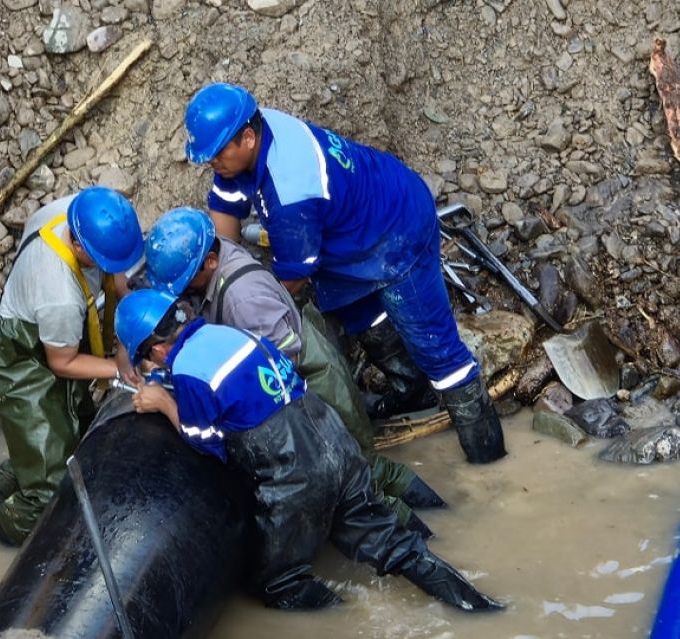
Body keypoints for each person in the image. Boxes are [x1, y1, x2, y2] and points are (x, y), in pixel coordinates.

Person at [114, 288, 503, 611]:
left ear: (157, 351)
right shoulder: (232, 334)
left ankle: (347, 619)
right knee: (392, 545)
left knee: (271, 582)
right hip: (336, 445)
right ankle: (483, 608)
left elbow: (207, 443)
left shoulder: (187, 370)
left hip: (296, 474)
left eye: (145, 359)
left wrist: (164, 404)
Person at [182, 82, 505, 464]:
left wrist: (250, 311)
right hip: (351, 230)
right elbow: (225, 210)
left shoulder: (289, 193)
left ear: (247, 139)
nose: (212, 164)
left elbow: (292, 281)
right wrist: (225, 282)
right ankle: (412, 391)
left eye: (216, 155)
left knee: (436, 348)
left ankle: (487, 455)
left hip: (398, 231)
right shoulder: (248, 134)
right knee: (362, 314)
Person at [142, 207, 445, 535]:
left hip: (313, 386)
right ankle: (447, 520)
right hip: (314, 361)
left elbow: (278, 365)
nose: (184, 292)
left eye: (187, 281)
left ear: (210, 262)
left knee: (358, 485)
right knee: (370, 466)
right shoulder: (220, 254)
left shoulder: (243, 300)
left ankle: (426, 542)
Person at [0, 186, 144, 546]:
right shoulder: (60, 297)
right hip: (16, 360)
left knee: (67, 437)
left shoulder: (69, 211)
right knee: (47, 488)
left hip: (45, 334)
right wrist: (119, 369)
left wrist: (128, 302)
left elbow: (114, 278)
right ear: (81, 247)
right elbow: (62, 362)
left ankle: (7, 481)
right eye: (105, 262)